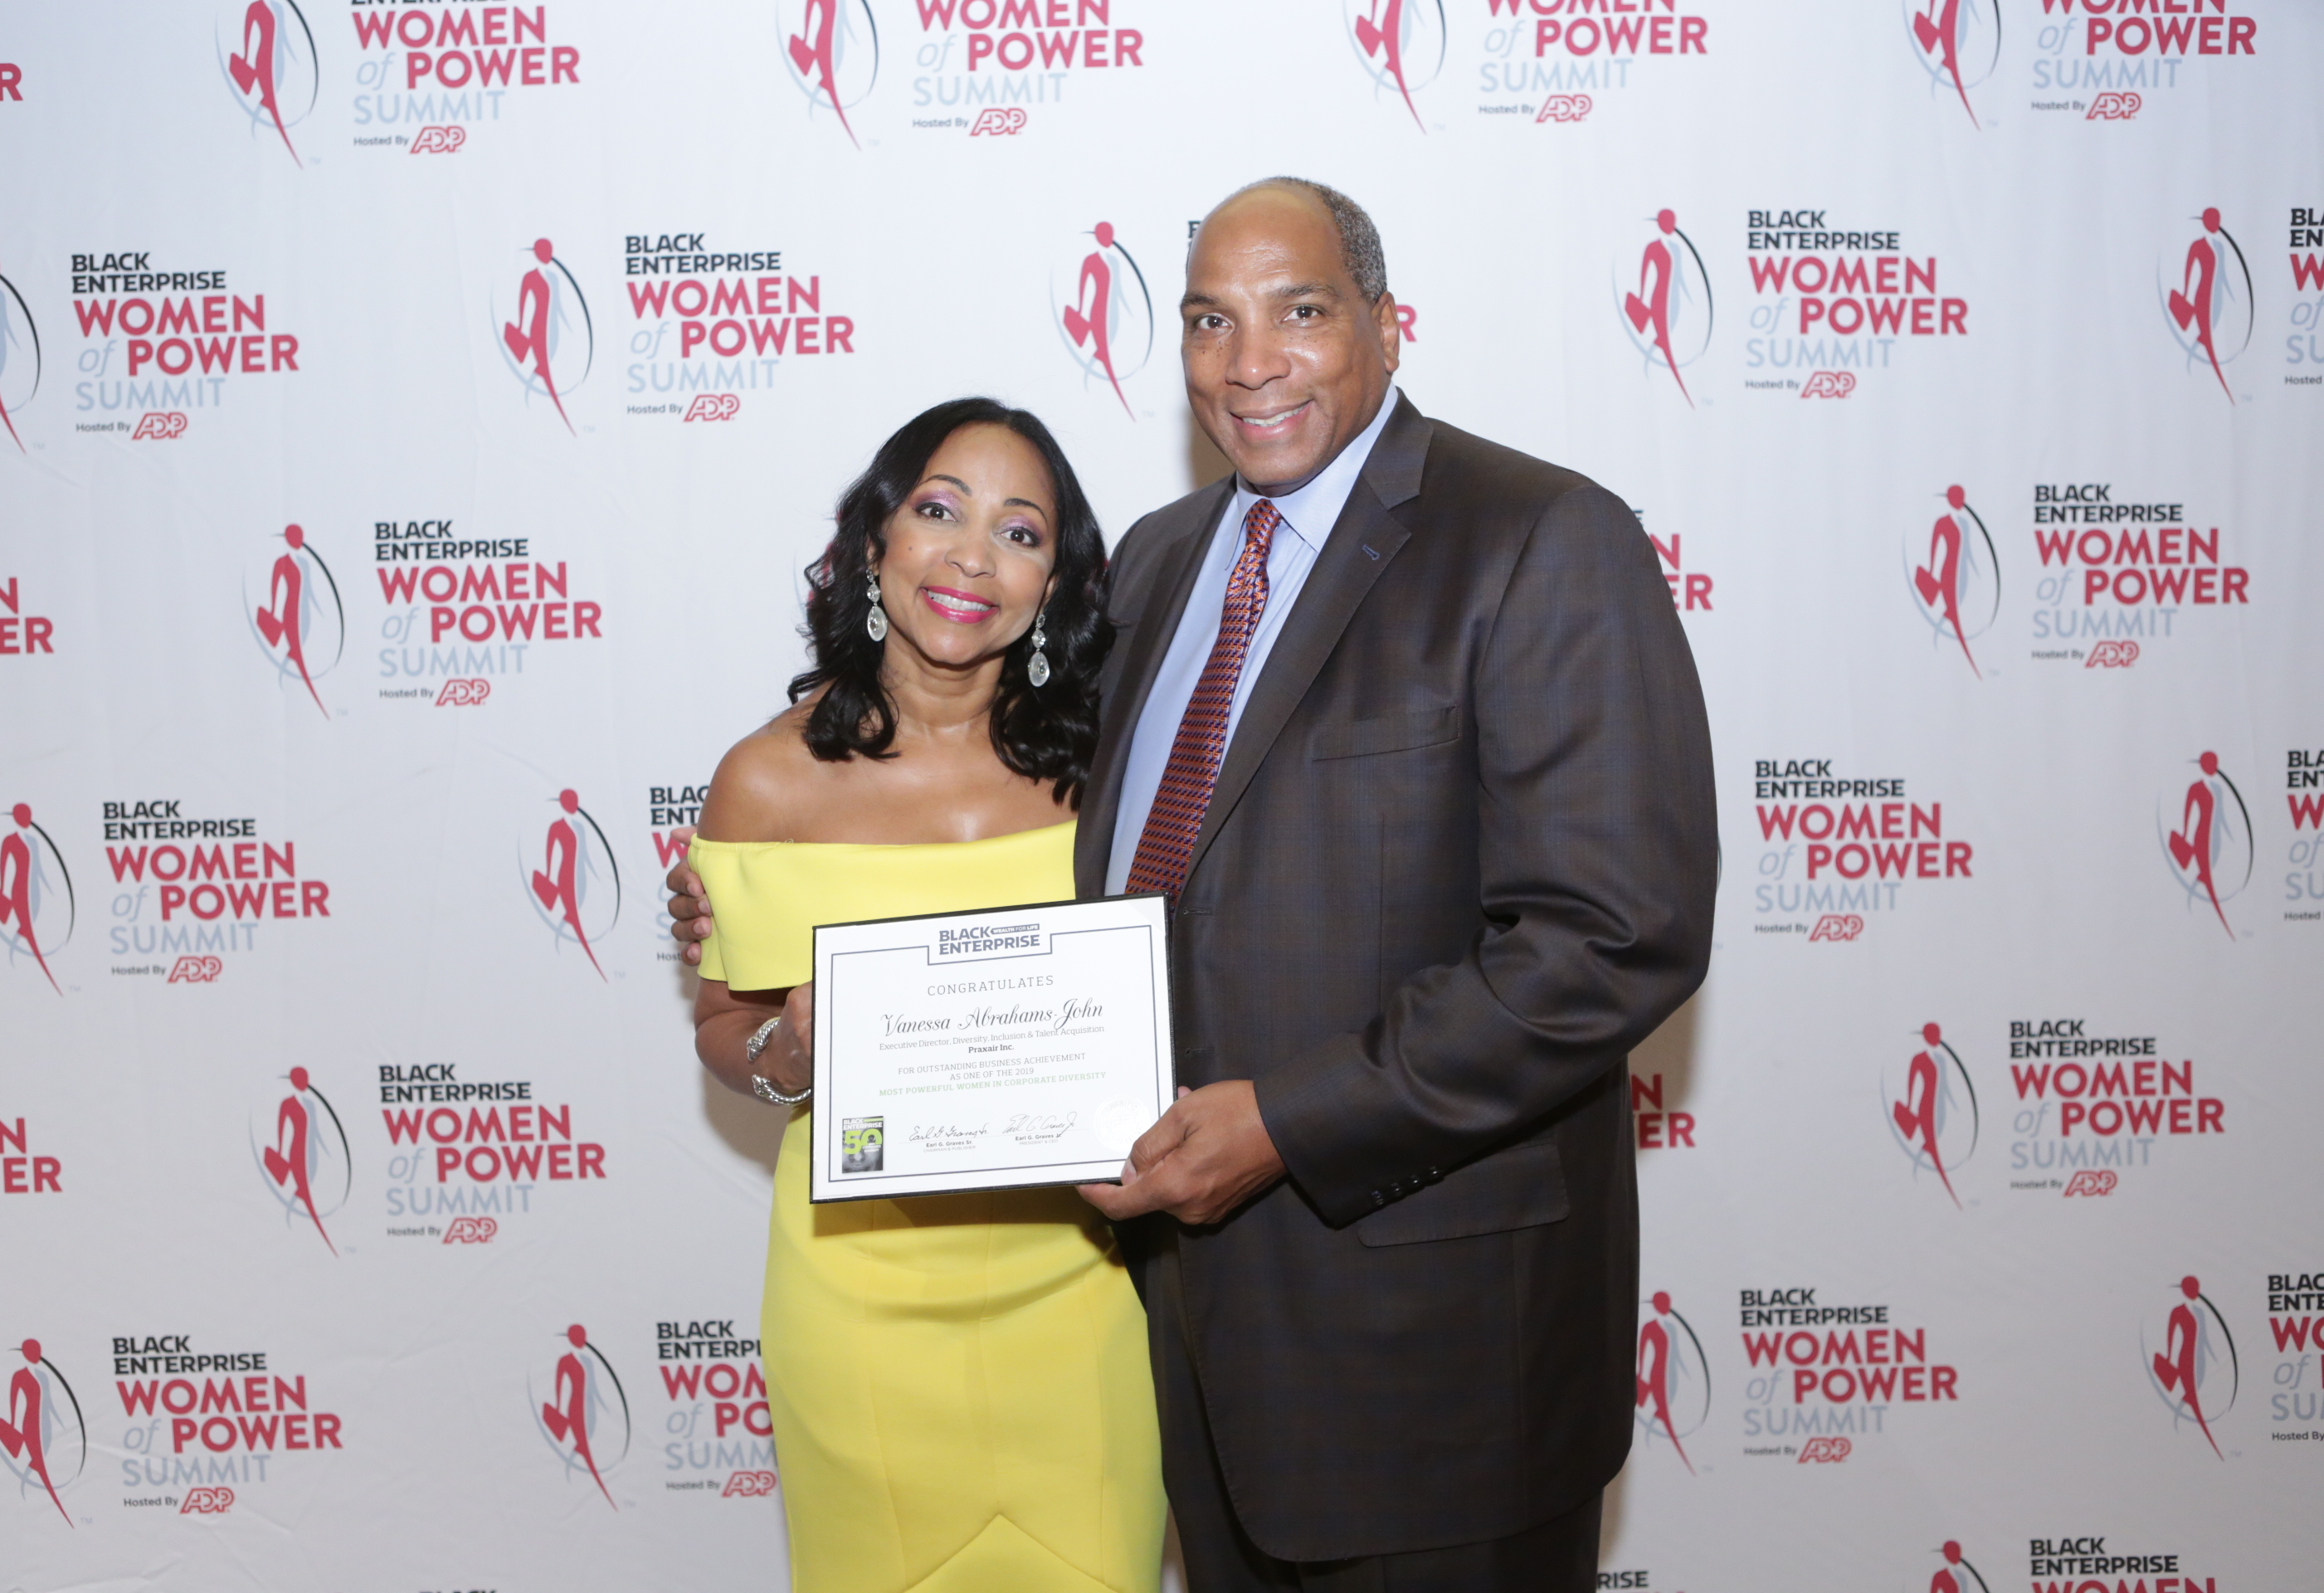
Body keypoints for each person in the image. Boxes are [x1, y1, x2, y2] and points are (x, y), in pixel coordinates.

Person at [673, 180, 1717, 1591]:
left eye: (1301, 311)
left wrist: (1285, 1122)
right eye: (1211, 321)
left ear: (1388, 326)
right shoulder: (1161, 567)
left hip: (1437, 1361)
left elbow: (1613, 938)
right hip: (1183, 1349)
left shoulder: (1537, 537)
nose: (1251, 361)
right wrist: (752, 913)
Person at [684, 397, 1163, 1593]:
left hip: (1088, 1285)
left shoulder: (1116, 767)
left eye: (1020, 532)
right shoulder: (765, 781)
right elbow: (725, 1027)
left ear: (1056, 584)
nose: (972, 557)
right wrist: (790, 1053)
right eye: (940, 511)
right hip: (863, 1302)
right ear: (876, 541)